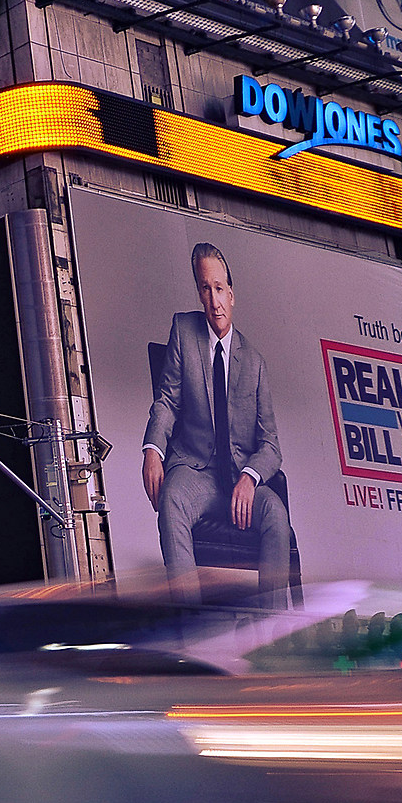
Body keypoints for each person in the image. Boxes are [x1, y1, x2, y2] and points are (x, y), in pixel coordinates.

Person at [142, 241, 291, 601]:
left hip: (240, 478)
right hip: (196, 472)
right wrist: (152, 450)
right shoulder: (184, 331)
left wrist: (249, 477)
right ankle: (191, 625)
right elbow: (167, 400)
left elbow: (271, 445)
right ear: (199, 292)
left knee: (275, 515)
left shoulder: (254, 363)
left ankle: (272, 630)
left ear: (232, 293)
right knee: (172, 500)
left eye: (220, 289)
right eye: (205, 289)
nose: (214, 300)